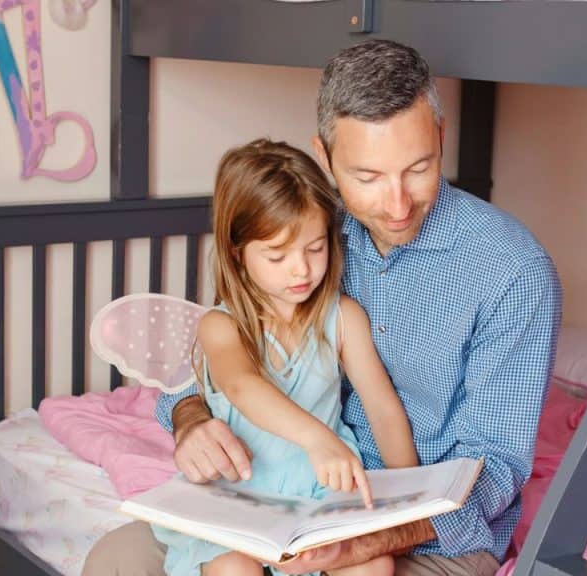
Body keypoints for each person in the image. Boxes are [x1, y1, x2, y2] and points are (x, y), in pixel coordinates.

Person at [83, 39, 561, 576]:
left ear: (441, 138)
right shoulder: (306, 228)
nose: (397, 204)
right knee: (113, 562)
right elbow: (225, 365)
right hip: (280, 497)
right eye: (367, 178)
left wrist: (376, 531)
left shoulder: (513, 271)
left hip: (426, 529)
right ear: (325, 156)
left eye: (418, 168)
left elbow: (497, 467)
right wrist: (191, 421)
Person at [150, 138, 418, 576]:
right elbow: (242, 386)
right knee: (234, 569)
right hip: (237, 500)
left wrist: (408, 497)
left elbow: (383, 408)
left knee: (377, 566)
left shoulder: (343, 319)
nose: (301, 270)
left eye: (315, 249)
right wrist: (318, 439)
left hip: (318, 498)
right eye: (277, 255)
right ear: (237, 254)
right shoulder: (222, 327)